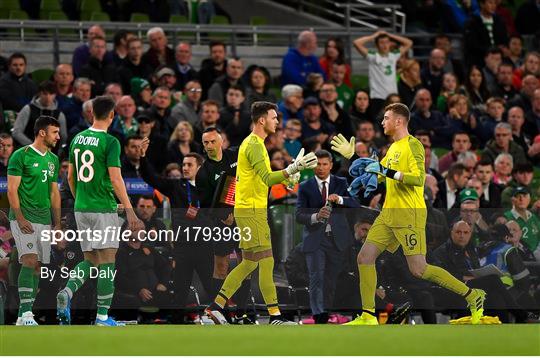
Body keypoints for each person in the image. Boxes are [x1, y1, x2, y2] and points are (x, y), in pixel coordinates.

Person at [331, 103, 486, 325]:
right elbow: (378, 175)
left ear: (398, 121)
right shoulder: (392, 148)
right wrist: (353, 157)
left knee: (419, 269)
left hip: (409, 214)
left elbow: (417, 178)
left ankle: (472, 295)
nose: (382, 122)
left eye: (386, 118)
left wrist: (387, 171)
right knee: (364, 258)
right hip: (388, 214)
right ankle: (368, 315)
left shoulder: (414, 145)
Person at [204, 101, 318, 325]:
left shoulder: (253, 144)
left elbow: (262, 180)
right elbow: (267, 178)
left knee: (249, 264)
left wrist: (289, 176)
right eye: (274, 117)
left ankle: (215, 307)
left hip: (249, 210)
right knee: (266, 261)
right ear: (262, 120)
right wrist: (293, 168)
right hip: (252, 211)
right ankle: (274, 316)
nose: (277, 122)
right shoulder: (255, 145)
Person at [56, 96, 144, 326]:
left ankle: (67, 291)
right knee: (107, 262)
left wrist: (81, 201)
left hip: (81, 208)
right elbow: (116, 179)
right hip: (103, 209)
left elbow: (71, 177)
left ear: (91, 113)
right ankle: (103, 317)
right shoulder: (111, 142)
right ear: (112, 115)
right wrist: (129, 209)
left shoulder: (77, 138)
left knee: (90, 260)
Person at [8, 116, 62, 325]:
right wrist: (20, 218)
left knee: (38, 266)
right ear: (42, 133)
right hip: (24, 217)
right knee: (29, 259)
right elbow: (12, 190)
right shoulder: (20, 156)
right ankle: (26, 313)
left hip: (44, 219)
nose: (58, 136)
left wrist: (56, 224)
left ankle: (23, 315)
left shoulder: (53, 160)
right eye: (55, 132)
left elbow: (54, 193)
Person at [295, 150, 360, 324]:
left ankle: (328, 313)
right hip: (315, 239)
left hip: (337, 239)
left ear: (331, 165)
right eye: (318, 164)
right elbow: (298, 215)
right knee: (316, 277)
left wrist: (339, 199)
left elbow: (354, 203)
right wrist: (316, 216)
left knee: (331, 279)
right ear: (313, 166)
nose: (321, 168)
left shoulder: (341, 182)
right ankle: (319, 315)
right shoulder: (305, 186)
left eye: (325, 164)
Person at [353, 30, 413, 115]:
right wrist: (374, 36)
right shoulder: (372, 56)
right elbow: (356, 43)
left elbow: (409, 43)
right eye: (381, 42)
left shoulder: (393, 56)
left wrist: (390, 35)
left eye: (387, 42)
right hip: (377, 97)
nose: (385, 45)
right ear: (377, 45)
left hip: (393, 98)